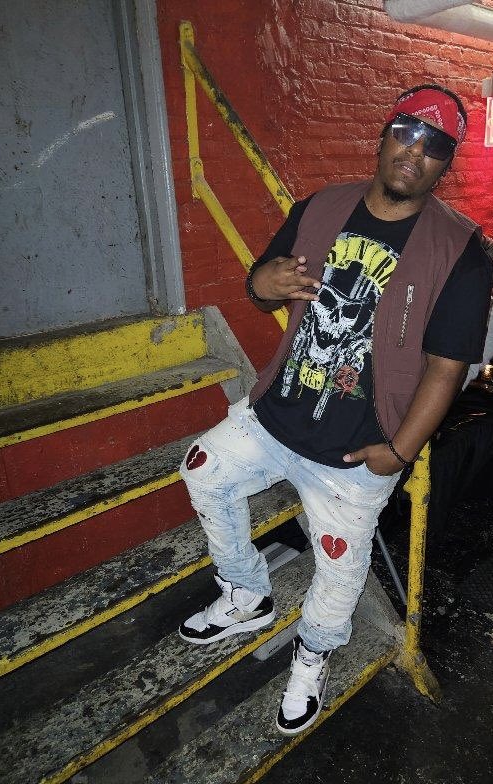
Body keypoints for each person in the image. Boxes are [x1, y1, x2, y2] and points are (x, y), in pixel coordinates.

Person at [179, 84, 492, 736]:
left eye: (435, 145)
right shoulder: (321, 206)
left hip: (355, 449)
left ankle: (314, 653)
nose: (415, 152)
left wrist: (400, 450)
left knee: (339, 568)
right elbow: (262, 283)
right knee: (202, 468)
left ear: (444, 163)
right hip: (277, 415)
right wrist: (264, 282)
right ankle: (246, 593)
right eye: (406, 132)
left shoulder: (461, 251)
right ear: (384, 136)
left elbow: (448, 368)